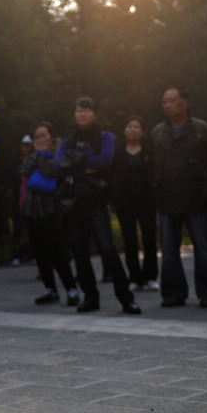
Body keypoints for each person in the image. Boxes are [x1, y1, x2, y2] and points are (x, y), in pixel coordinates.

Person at [56, 97, 141, 315]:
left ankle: (126, 298)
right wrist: (85, 166)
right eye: (78, 110)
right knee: (80, 251)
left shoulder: (105, 137)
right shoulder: (68, 140)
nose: (82, 114)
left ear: (95, 114)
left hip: (96, 199)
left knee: (106, 248)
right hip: (75, 200)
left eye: (86, 110)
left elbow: (105, 160)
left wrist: (76, 163)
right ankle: (90, 297)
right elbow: (60, 166)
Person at [150, 87, 207, 308]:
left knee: (204, 248)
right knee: (169, 250)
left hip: (197, 199)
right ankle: (173, 293)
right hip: (167, 198)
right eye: (165, 101)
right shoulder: (157, 132)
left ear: (185, 102)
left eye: (173, 100)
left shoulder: (203, 130)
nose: (168, 105)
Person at [20, 121, 79, 306]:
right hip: (31, 211)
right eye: (36, 137)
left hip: (51, 211)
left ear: (52, 137)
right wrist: (38, 156)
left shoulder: (58, 155)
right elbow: (23, 170)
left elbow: (49, 171)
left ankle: (71, 288)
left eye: (43, 135)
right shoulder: (35, 155)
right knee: (40, 251)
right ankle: (49, 289)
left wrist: (40, 156)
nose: (39, 140)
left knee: (57, 251)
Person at [111, 115, 159, 292]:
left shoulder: (148, 151)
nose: (132, 129)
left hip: (147, 201)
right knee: (129, 241)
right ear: (124, 130)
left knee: (149, 239)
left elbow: (155, 173)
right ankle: (134, 278)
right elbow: (111, 177)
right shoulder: (117, 152)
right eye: (129, 126)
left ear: (142, 131)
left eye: (136, 126)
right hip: (124, 202)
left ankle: (151, 277)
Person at [9, 135, 34, 268]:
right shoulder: (15, 163)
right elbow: (11, 181)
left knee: (32, 228)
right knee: (18, 229)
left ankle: (32, 255)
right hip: (18, 200)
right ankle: (17, 255)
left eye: (28, 145)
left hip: (31, 200)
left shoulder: (34, 161)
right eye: (24, 145)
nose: (26, 148)